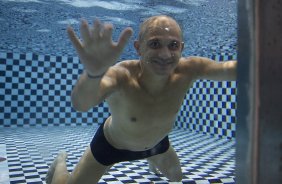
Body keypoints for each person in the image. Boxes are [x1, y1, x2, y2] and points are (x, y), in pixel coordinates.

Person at [46, 15, 237, 184]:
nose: (165, 54)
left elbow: (230, 70)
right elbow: (81, 104)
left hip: (156, 144)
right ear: (139, 47)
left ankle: (151, 159)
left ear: (181, 48)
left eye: (173, 45)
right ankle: (60, 161)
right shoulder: (121, 75)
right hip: (112, 144)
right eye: (155, 44)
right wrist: (93, 74)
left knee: (177, 177)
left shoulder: (190, 69)